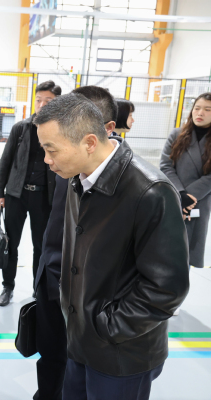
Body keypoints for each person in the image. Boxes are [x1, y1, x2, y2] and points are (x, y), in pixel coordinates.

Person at [35, 93, 189, 400]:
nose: (46, 160)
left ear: (89, 143)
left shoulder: (150, 192)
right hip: (80, 339)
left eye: (52, 150)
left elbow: (167, 288)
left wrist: (107, 327)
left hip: (121, 353)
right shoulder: (79, 178)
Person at [31, 85, 119, 400]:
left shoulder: (129, 184)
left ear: (102, 131)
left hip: (91, 300)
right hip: (52, 276)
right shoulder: (64, 163)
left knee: (79, 369)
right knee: (50, 356)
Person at [0, 80, 61, 306]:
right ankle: (7, 286)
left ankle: (37, 289)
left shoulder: (61, 132)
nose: (42, 105)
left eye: (48, 101)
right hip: (16, 195)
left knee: (41, 246)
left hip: (44, 198)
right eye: (39, 100)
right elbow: (5, 161)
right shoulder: (20, 129)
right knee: (10, 244)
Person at [160, 92, 211, 268]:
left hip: (199, 201)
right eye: (197, 108)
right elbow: (165, 166)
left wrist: (190, 195)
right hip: (174, 197)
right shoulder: (177, 134)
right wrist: (181, 193)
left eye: (207, 109)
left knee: (186, 253)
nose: (200, 113)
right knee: (164, 249)